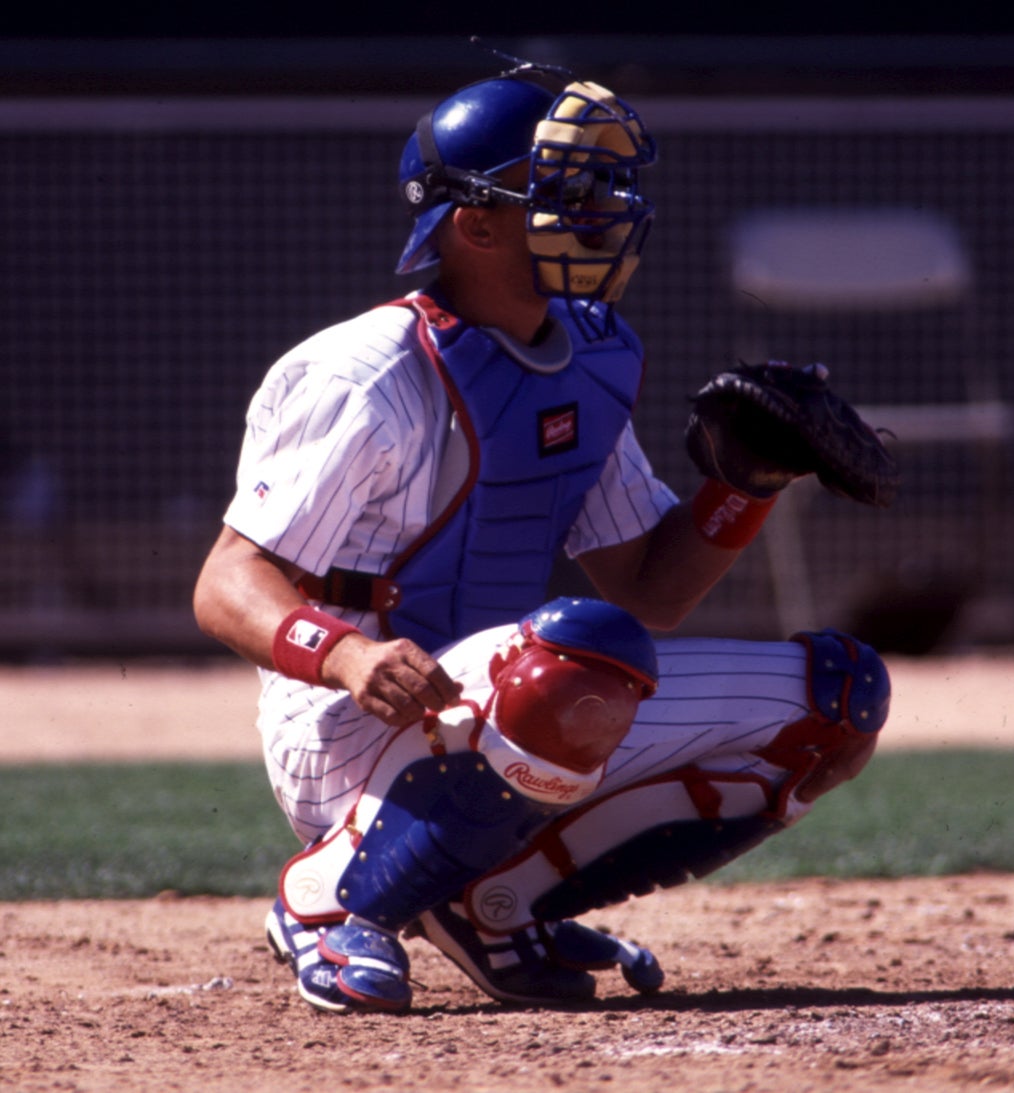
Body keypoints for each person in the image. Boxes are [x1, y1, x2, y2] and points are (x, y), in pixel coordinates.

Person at [193, 61, 892, 1015]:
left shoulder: (595, 352)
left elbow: (648, 590)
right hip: (350, 724)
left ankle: (491, 903)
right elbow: (227, 582)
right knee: (573, 660)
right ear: (473, 225)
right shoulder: (364, 372)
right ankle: (328, 899)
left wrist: (744, 488)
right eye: (564, 189)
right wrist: (348, 654)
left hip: (515, 701)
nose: (603, 207)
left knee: (836, 701)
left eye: (604, 185)